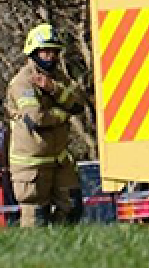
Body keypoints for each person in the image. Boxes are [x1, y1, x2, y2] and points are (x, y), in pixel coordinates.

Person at [7, 23, 88, 227]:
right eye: (45, 52)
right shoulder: (22, 83)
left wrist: (54, 89)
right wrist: (63, 115)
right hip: (32, 166)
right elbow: (36, 118)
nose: (50, 56)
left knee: (72, 208)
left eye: (54, 52)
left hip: (59, 160)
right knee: (36, 218)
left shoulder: (57, 78)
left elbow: (78, 103)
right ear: (33, 52)